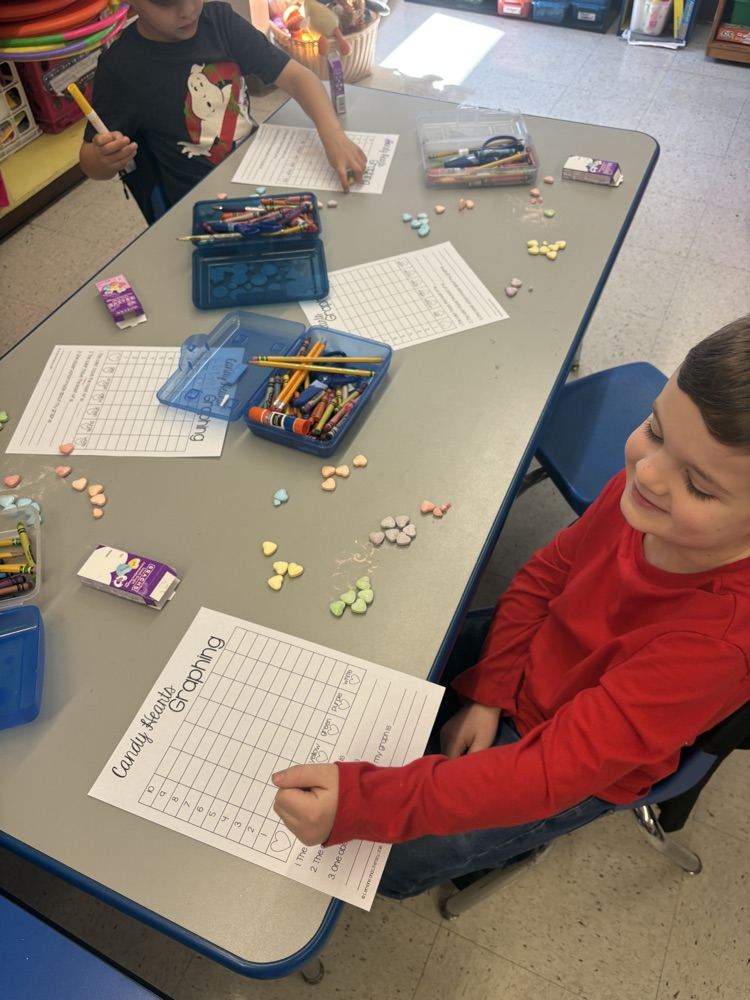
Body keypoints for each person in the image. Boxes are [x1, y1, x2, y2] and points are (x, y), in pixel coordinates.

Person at [272, 315, 750, 899]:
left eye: (699, 485)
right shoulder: (646, 494)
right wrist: (489, 692)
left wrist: (365, 803)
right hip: (532, 660)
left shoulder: (719, 643)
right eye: (654, 429)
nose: (646, 472)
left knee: (387, 863)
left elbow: (551, 771)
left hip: (570, 763)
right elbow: (544, 578)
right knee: (374, 678)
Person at [79, 0, 367, 212]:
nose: (188, 10)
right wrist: (103, 159)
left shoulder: (220, 22)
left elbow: (298, 78)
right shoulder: (121, 69)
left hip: (259, 171)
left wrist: (333, 135)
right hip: (202, 203)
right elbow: (91, 163)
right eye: (165, 2)